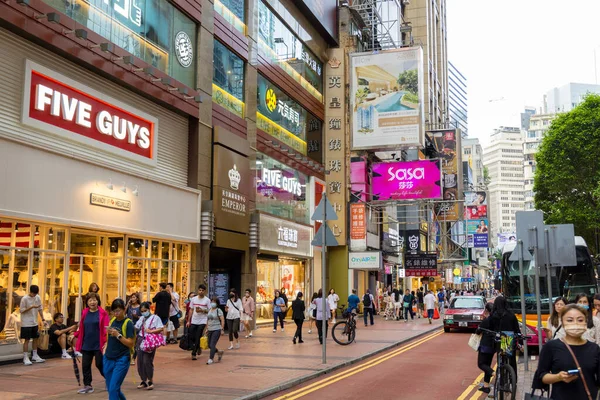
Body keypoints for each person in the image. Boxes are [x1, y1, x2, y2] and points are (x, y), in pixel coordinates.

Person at [537, 304, 600, 400]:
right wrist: (558, 377)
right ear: (562, 322)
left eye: (580, 320)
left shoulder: (594, 348)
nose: (575, 324)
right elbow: (542, 376)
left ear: (586, 322)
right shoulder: (551, 347)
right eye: (570, 320)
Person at [75, 293, 109, 394]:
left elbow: (106, 328)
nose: (92, 302)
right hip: (86, 343)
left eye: (94, 300)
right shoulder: (85, 312)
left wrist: (106, 341)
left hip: (99, 343)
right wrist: (75, 334)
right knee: (85, 365)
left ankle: (110, 380)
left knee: (99, 364)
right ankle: (88, 385)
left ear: (98, 301)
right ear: (87, 302)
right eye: (90, 300)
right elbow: (81, 327)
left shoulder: (103, 313)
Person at [104, 299, 135, 400]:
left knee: (113, 388)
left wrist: (118, 335)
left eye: (118, 311)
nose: (116, 313)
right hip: (108, 357)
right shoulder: (112, 321)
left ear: (124, 309)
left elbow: (131, 343)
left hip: (121, 359)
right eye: (114, 311)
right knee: (111, 389)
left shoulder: (128, 323)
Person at [135, 301, 163, 390]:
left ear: (149, 309)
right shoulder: (141, 318)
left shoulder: (156, 318)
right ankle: (143, 380)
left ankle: (150, 380)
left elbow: (161, 328)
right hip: (140, 339)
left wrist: (151, 331)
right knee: (140, 361)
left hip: (150, 341)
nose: (144, 312)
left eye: (145, 310)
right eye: (142, 311)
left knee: (147, 361)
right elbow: (136, 327)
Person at [20, 284, 46, 365]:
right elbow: (21, 310)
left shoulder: (38, 297)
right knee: (27, 340)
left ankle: (35, 355)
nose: (34, 295)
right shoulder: (24, 299)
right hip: (26, 322)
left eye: (36, 294)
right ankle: (25, 357)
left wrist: (43, 319)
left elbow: (40, 309)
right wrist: (31, 307)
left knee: (35, 338)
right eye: (33, 294)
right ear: (30, 292)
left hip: (34, 322)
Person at [475, 302, 496, 393]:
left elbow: (477, 331)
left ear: (486, 310)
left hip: (485, 345)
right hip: (494, 346)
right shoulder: (497, 319)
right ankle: (486, 386)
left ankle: (494, 373)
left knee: (481, 364)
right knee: (487, 364)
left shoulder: (487, 320)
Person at [186, 284, 210, 360]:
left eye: (202, 290)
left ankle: (194, 353)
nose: (201, 292)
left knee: (198, 336)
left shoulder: (207, 300)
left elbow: (210, 311)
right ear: (198, 290)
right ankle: (198, 346)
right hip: (194, 320)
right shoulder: (194, 299)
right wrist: (188, 321)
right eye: (200, 290)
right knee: (191, 334)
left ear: (204, 291)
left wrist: (202, 310)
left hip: (202, 320)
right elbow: (191, 310)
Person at [204, 297, 225, 365]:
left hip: (216, 329)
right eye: (212, 301)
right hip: (210, 329)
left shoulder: (218, 310)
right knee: (209, 345)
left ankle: (211, 358)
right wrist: (206, 328)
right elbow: (207, 320)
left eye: (214, 302)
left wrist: (222, 328)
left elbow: (222, 319)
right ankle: (219, 352)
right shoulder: (209, 310)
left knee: (212, 344)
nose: (213, 303)